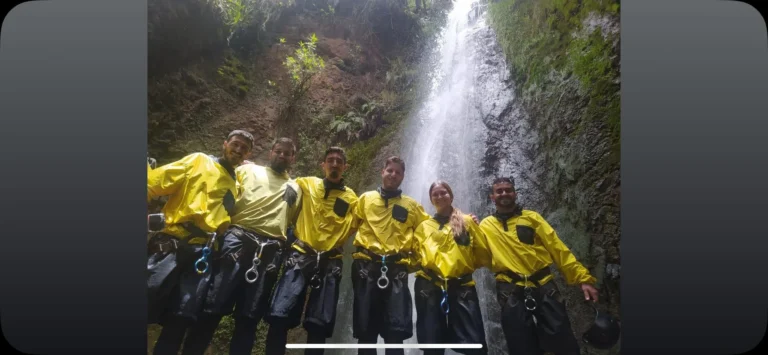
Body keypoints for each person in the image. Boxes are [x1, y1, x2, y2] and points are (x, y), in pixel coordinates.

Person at [190, 137, 302, 355]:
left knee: (249, 316)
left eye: (287, 153)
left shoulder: (297, 188)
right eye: (278, 151)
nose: (282, 155)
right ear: (270, 152)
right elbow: (223, 185)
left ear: (292, 158)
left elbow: (292, 221)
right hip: (237, 241)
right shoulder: (248, 171)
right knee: (212, 307)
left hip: (270, 252)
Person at [147, 129, 254, 355]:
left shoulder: (236, 186)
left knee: (181, 318)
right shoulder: (199, 161)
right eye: (235, 144)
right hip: (171, 244)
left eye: (244, 148)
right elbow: (155, 183)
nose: (238, 150)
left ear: (248, 155)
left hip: (202, 255)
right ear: (225, 144)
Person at [477, 177, 599, 355]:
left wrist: (583, 279)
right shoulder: (485, 225)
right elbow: (477, 255)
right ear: (492, 197)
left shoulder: (532, 218)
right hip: (509, 289)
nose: (504, 193)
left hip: (543, 284)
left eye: (508, 190)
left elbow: (557, 248)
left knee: (563, 341)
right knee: (520, 345)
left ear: (515, 194)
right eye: (499, 191)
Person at [263, 146, 359, 355]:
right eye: (330, 160)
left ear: (345, 167)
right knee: (280, 315)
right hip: (300, 254)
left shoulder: (352, 199)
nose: (334, 164)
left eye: (339, 161)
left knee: (319, 323)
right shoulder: (305, 184)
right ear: (322, 165)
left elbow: (361, 223)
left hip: (330, 260)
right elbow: (279, 180)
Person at [349, 156, 431, 355]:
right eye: (390, 170)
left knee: (395, 332)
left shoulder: (412, 206)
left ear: (403, 177)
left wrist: (459, 217)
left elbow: (431, 232)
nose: (393, 175)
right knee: (365, 331)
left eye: (398, 172)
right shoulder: (365, 199)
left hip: (396, 272)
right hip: (365, 268)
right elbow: (346, 226)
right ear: (382, 171)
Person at [412, 180, 491, 355]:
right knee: (432, 346)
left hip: (461, 287)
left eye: (443, 192)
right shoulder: (424, 226)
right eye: (435, 194)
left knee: (475, 344)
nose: (440, 196)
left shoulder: (467, 221)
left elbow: (482, 252)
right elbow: (415, 255)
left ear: (451, 195)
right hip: (429, 287)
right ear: (431, 199)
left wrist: (463, 266)